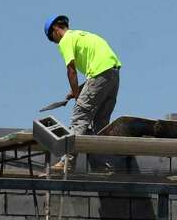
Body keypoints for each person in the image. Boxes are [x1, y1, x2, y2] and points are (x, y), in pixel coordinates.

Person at [43, 15, 122, 173]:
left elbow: (71, 70)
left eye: (53, 39)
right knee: (101, 123)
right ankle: (104, 166)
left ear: (55, 30)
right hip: (113, 75)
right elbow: (100, 73)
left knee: (79, 115)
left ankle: (67, 163)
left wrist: (76, 92)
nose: (56, 43)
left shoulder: (66, 40)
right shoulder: (82, 35)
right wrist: (77, 92)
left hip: (100, 74)